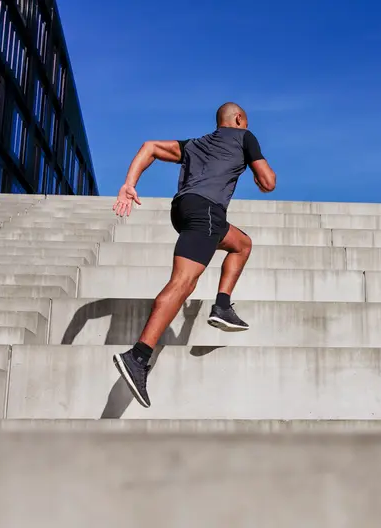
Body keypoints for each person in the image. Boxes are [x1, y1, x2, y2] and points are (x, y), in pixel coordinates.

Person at [110, 102, 277, 408]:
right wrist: (257, 173)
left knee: (241, 244)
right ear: (239, 119)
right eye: (245, 120)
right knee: (184, 283)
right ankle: (138, 356)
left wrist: (129, 185)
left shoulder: (195, 145)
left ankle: (222, 306)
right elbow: (269, 182)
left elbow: (150, 147)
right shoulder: (244, 136)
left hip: (184, 210)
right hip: (207, 211)